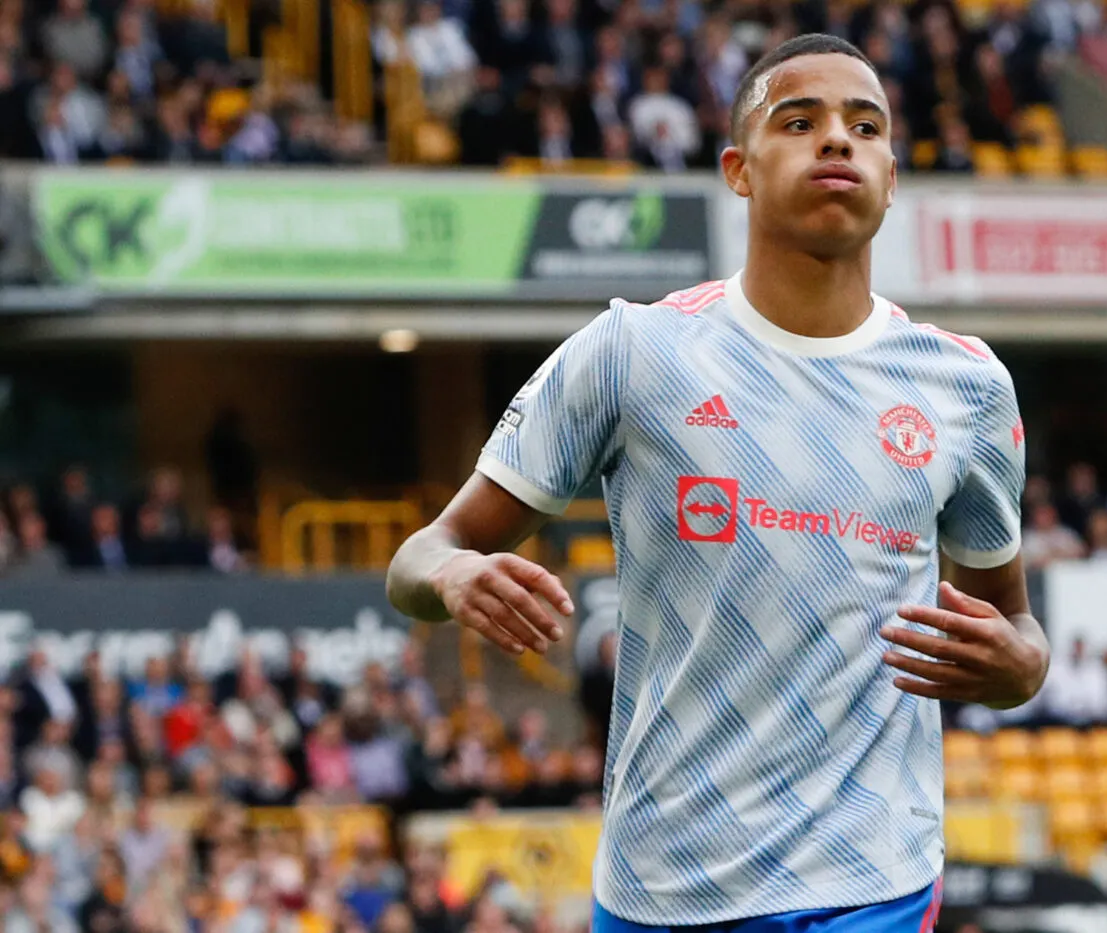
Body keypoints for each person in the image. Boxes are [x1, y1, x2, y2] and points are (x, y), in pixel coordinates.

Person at [387, 33, 1049, 933]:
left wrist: (1022, 667)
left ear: (891, 177)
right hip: (665, 885)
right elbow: (422, 557)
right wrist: (456, 574)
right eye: (800, 120)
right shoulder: (633, 352)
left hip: (873, 881)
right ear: (738, 169)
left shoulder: (966, 387)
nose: (837, 141)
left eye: (865, 125)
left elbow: (1010, 630)